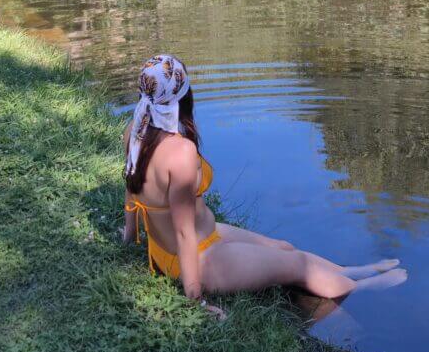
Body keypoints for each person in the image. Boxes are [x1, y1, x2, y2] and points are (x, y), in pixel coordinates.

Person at [123, 54, 407, 316]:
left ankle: (352, 272)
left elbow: (131, 189)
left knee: (284, 247)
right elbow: (184, 232)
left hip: (193, 241)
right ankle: (361, 288)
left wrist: (129, 236)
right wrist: (195, 300)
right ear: (183, 97)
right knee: (297, 265)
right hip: (198, 259)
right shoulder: (180, 153)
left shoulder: (134, 132)